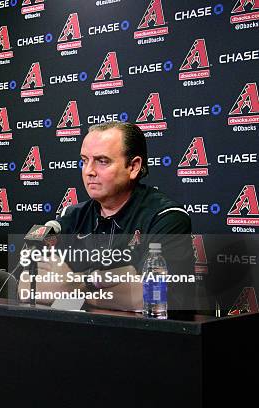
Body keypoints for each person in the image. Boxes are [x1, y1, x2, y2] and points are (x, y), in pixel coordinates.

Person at [19, 121, 195, 312]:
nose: (89, 171)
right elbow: (28, 288)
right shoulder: (72, 216)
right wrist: (107, 282)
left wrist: (74, 285)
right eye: (84, 161)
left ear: (134, 167)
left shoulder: (165, 217)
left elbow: (155, 295)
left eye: (102, 161)